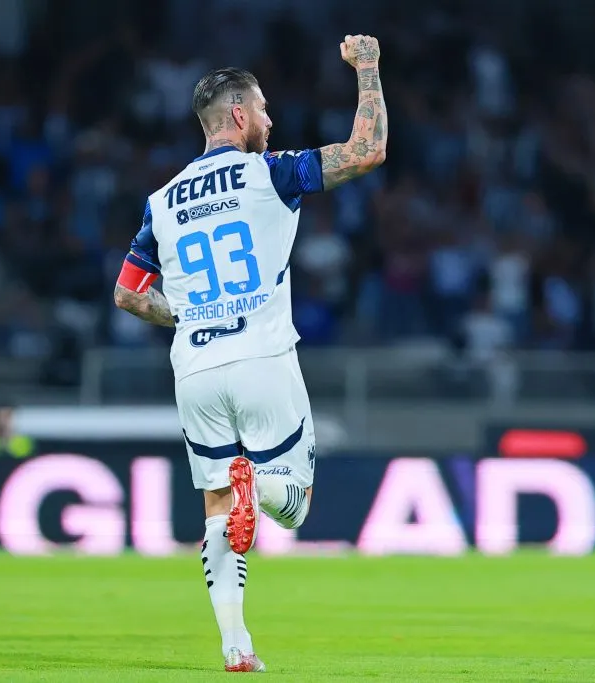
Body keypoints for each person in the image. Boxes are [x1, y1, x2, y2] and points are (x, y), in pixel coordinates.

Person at [113, 35, 387, 672]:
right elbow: (367, 149)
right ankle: (257, 484)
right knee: (293, 504)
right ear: (239, 114)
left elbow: (127, 294)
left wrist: (186, 314)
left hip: (194, 368)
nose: (270, 118)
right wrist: (368, 67)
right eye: (263, 108)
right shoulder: (271, 172)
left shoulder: (162, 201)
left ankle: (236, 646)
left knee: (217, 506)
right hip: (262, 357)